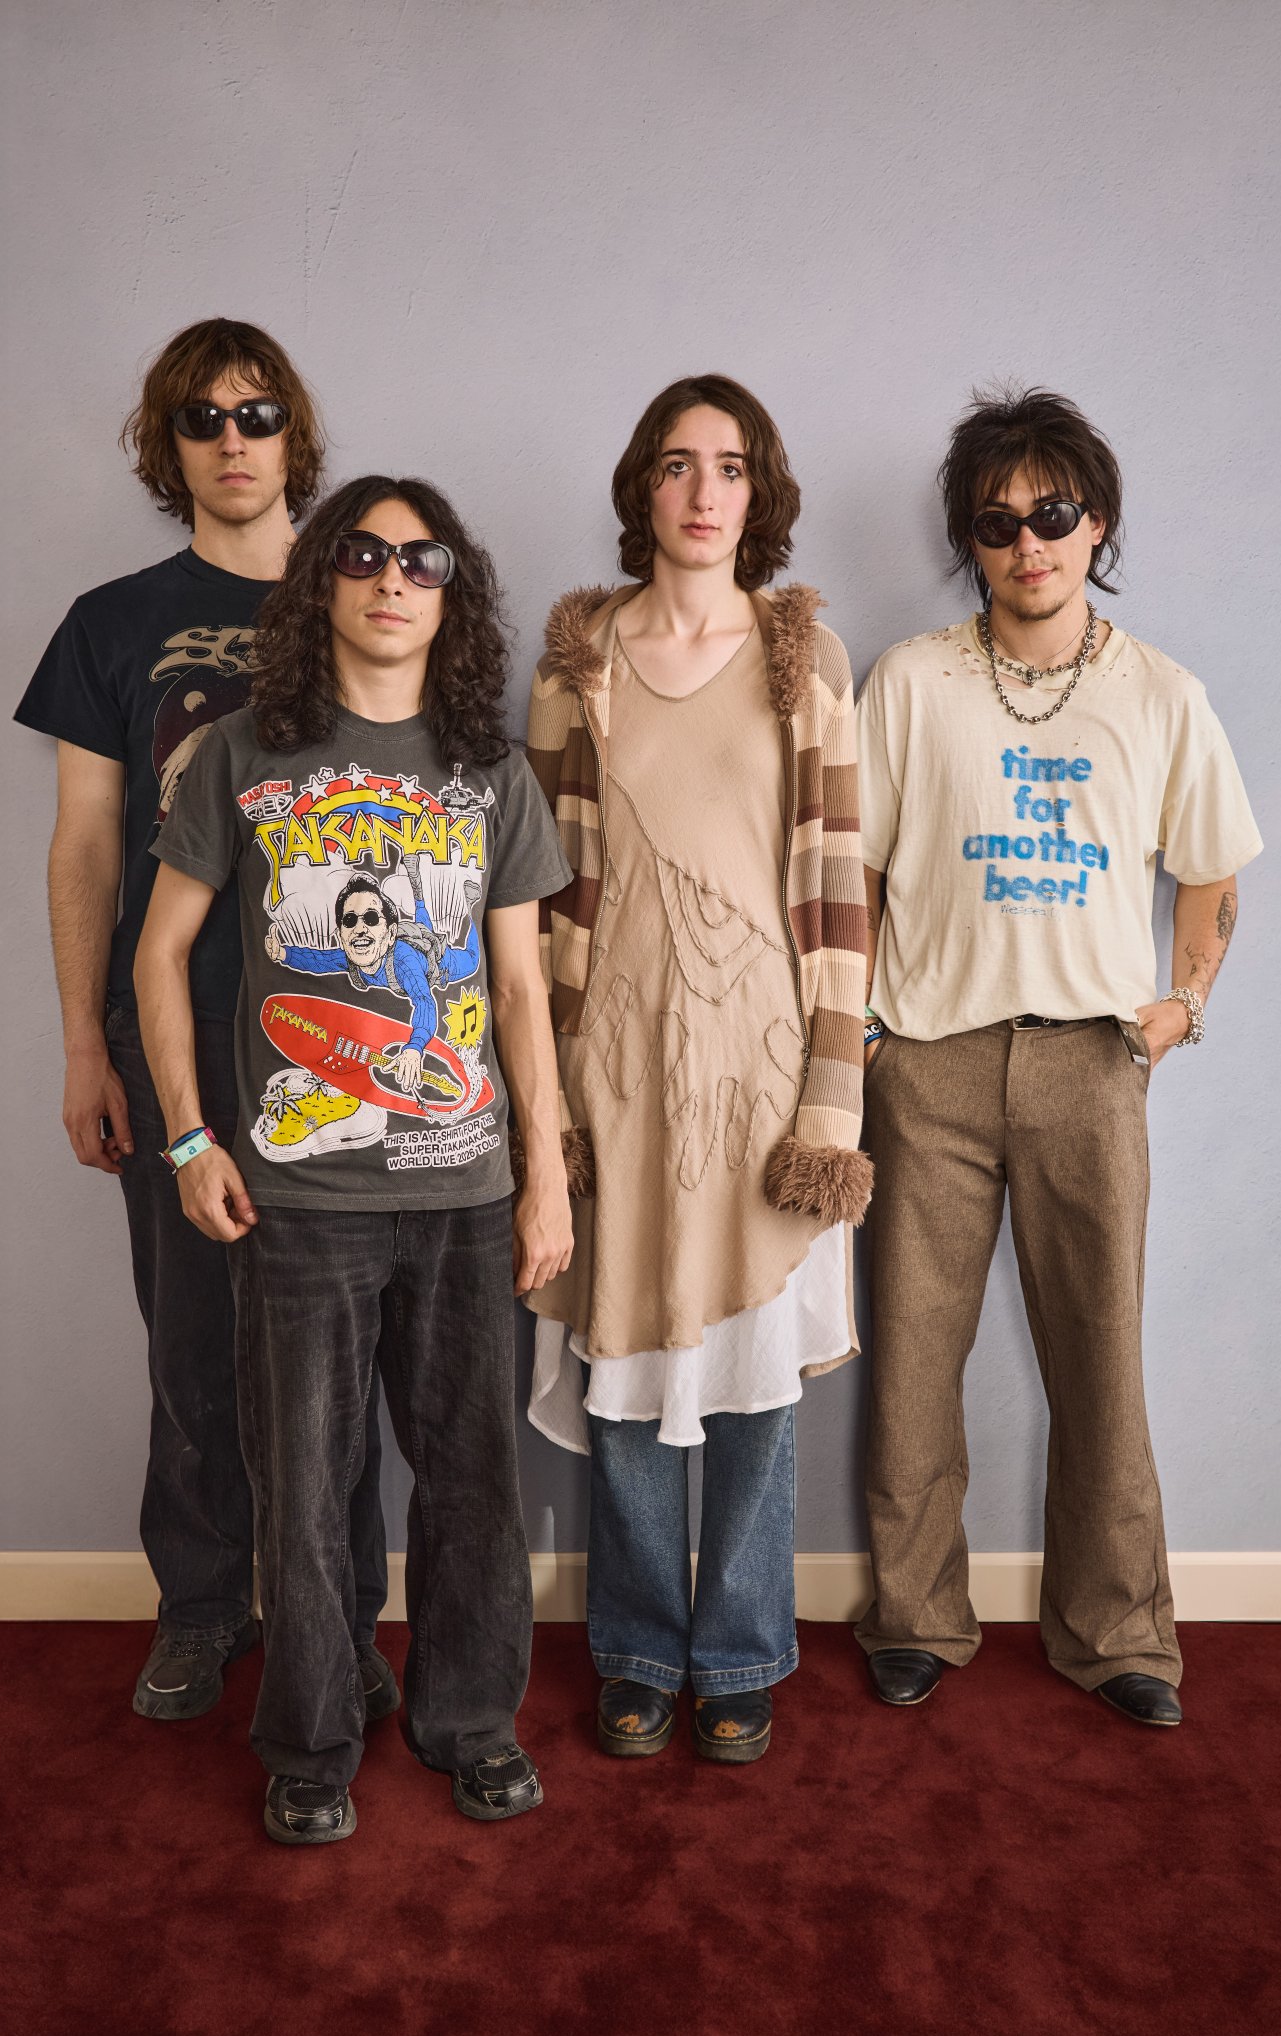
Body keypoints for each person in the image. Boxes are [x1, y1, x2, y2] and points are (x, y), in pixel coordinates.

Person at [135, 476, 574, 1843]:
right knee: (306, 1487)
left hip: (465, 1190)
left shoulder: (491, 771)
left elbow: (520, 992)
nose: (393, 578)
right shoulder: (240, 756)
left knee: (474, 1483)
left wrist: (550, 1177)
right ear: (323, 578)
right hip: (301, 1196)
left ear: (453, 595)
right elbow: (159, 953)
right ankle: (314, 1740)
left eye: (423, 560)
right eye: (367, 554)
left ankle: (471, 1722)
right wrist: (190, 1135)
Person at [854, 386, 1263, 1727]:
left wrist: (1181, 1007)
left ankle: (1120, 1635)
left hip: (1091, 1065)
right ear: (969, 542)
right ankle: (915, 1617)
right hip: (929, 1065)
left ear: (1098, 525)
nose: (1028, 542)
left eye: (1053, 513)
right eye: (997, 522)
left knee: (1102, 1360)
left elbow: (1213, 872)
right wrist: (862, 1027)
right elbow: (852, 874)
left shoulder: (1163, 694)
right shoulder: (909, 682)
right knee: (913, 1362)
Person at [13, 319, 391, 1723]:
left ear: (295, 435)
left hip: (341, 1029)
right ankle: (200, 1603)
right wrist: (83, 1043)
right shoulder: (111, 624)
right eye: (203, 420)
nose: (234, 441)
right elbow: (85, 846)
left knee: (342, 1346)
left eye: (257, 414)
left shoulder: (372, 594)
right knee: (191, 1340)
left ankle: (340, 1613)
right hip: (174, 1029)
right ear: (168, 449)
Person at [525, 374, 870, 1766]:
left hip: (760, 1065)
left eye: (730, 466)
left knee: (752, 1368)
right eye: (677, 464)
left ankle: (735, 1652)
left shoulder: (805, 656)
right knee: (622, 1348)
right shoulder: (578, 660)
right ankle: (633, 1648)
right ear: (643, 489)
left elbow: (839, 887)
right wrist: (543, 1100)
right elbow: (541, 892)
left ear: (760, 491)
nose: (703, 490)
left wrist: (830, 1099)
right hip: (610, 1061)